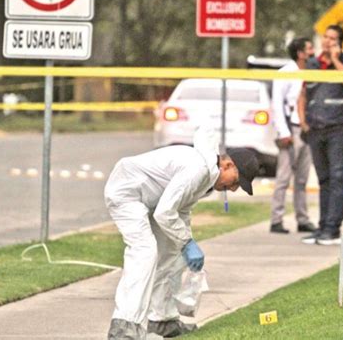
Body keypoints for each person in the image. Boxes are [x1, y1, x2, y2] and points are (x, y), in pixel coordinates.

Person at [105, 126, 259, 339]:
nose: (232, 189)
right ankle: (123, 326)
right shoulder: (198, 169)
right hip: (127, 193)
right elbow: (165, 212)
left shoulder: (206, 178)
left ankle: (162, 322)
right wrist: (187, 243)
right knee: (144, 252)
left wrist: (185, 243)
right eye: (235, 181)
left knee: (171, 254)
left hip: (151, 199)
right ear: (227, 164)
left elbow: (181, 210)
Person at [298, 24, 343, 245]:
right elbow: (304, 93)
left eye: (332, 38)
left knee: (337, 178)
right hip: (316, 129)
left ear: (340, 42)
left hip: (339, 129)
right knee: (323, 179)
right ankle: (322, 226)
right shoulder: (313, 63)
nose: (327, 41)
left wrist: (336, 61)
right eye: (325, 37)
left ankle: (333, 229)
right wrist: (303, 122)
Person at [270, 37, 316, 234]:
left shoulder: (312, 72)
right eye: (309, 48)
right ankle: (276, 219)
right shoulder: (286, 73)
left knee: (302, 179)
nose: (313, 52)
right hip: (291, 127)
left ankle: (302, 218)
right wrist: (283, 131)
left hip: (306, 129)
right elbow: (277, 103)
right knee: (283, 177)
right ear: (300, 53)